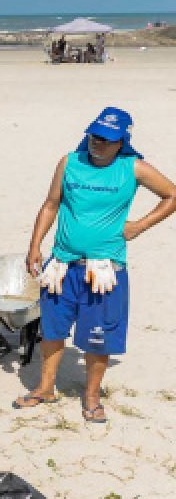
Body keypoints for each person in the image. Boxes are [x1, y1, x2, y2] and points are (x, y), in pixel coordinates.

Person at [15, 107, 176, 423]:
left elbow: (171, 195)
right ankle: (46, 387)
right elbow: (51, 204)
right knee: (52, 329)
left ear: (122, 141)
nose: (97, 143)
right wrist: (35, 245)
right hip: (61, 264)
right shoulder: (70, 162)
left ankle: (91, 396)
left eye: (106, 139)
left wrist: (140, 225)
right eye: (94, 135)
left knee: (99, 336)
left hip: (104, 269)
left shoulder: (133, 168)